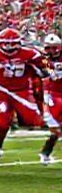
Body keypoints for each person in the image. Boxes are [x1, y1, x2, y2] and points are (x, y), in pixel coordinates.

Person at [0, 28, 47, 162]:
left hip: (22, 91)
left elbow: (42, 69)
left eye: (12, 44)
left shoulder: (29, 54)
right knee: (2, 123)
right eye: (5, 43)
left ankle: (9, 123)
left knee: (33, 120)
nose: (9, 47)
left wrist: (43, 72)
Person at [40, 34, 62, 165]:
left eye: (54, 48)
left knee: (58, 129)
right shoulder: (42, 60)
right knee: (55, 128)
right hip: (51, 94)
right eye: (48, 48)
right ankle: (45, 153)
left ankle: (45, 153)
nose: (51, 51)